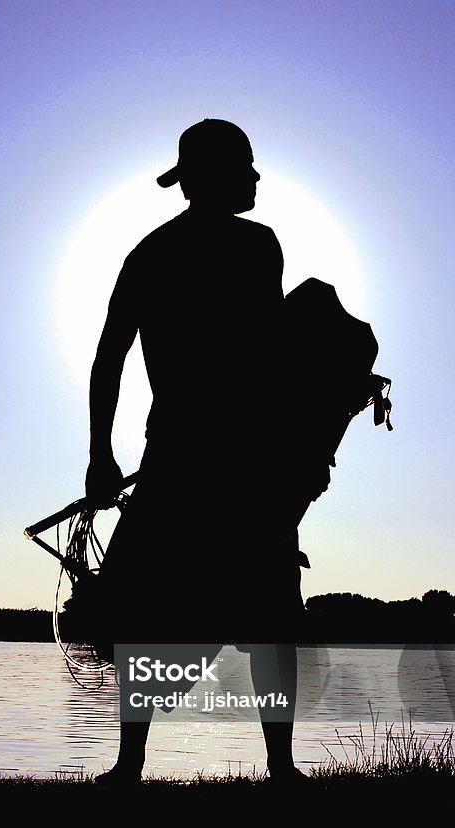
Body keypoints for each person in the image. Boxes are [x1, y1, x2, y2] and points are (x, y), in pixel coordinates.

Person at [84, 119, 327, 785]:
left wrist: (100, 454)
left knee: (151, 609)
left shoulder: (150, 253)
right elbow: (269, 356)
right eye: (246, 167)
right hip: (244, 463)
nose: (255, 178)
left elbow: (110, 357)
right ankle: (276, 769)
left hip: (182, 460)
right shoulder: (255, 248)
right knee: (264, 608)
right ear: (215, 177)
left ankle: (133, 765)